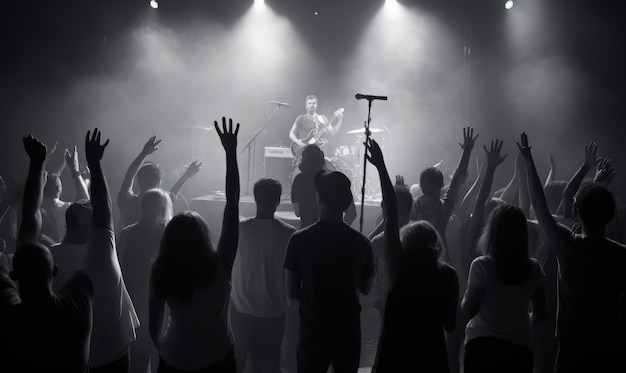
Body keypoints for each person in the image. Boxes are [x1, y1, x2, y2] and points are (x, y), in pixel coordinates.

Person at [518, 132, 626, 373]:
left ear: (577, 211)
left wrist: (528, 162)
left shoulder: (569, 245)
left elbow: (539, 202)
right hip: (609, 350)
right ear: (609, 216)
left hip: (572, 350)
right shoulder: (621, 255)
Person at [149, 117, 240, 372]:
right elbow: (232, 206)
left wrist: (168, 353)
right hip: (218, 361)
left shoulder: (161, 270)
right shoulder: (220, 266)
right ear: (204, 235)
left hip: (174, 361)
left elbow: (153, 328)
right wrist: (230, 152)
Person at [0, 135, 93, 372]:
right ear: (54, 271)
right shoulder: (77, 309)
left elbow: (30, 219)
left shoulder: (10, 315)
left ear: (14, 275)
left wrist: (38, 162)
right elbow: (87, 205)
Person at [365, 138, 458, 373]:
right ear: (435, 244)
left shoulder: (399, 267)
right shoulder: (447, 274)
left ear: (406, 243)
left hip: (396, 355)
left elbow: (393, 217)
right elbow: (450, 323)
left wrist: (381, 167)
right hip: (430, 355)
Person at [284, 168, 375, 373]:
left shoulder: (299, 240)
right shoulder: (361, 243)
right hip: (347, 330)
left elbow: (291, 292)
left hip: (313, 328)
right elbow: (366, 288)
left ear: (319, 199)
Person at [461, 202, 547, 373]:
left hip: (482, 345)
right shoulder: (534, 268)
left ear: (493, 231)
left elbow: (469, 310)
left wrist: (465, 297)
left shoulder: (482, 266)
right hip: (519, 348)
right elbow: (541, 316)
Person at [230, 178, 296, 373]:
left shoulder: (239, 229)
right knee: (270, 363)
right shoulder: (289, 234)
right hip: (274, 311)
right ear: (278, 201)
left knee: (237, 360)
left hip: (241, 309)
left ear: (255, 199)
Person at [118, 188, 173, 373]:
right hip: (161, 305)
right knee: (160, 357)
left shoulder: (126, 233)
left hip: (133, 303)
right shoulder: (169, 235)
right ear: (164, 208)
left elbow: (120, 269)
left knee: (138, 360)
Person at [117, 135, 201, 228]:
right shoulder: (163, 203)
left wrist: (144, 153)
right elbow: (174, 191)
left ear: (138, 180)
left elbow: (130, 175)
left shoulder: (127, 202)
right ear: (159, 183)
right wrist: (187, 174)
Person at [291, 144, 356, 229]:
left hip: (307, 234)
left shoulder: (299, 180)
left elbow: (297, 213)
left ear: (303, 159)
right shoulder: (336, 179)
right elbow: (352, 213)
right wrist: (340, 231)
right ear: (322, 159)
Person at [288, 95, 344, 161]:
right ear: (306, 105)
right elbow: (291, 134)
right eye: (309, 103)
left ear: (317, 105)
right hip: (304, 153)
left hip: (319, 154)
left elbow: (332, 132)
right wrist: (300, 143)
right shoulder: (301, 118)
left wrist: (340, 120)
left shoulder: (322, 118)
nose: (312, 105)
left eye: (314, 103)